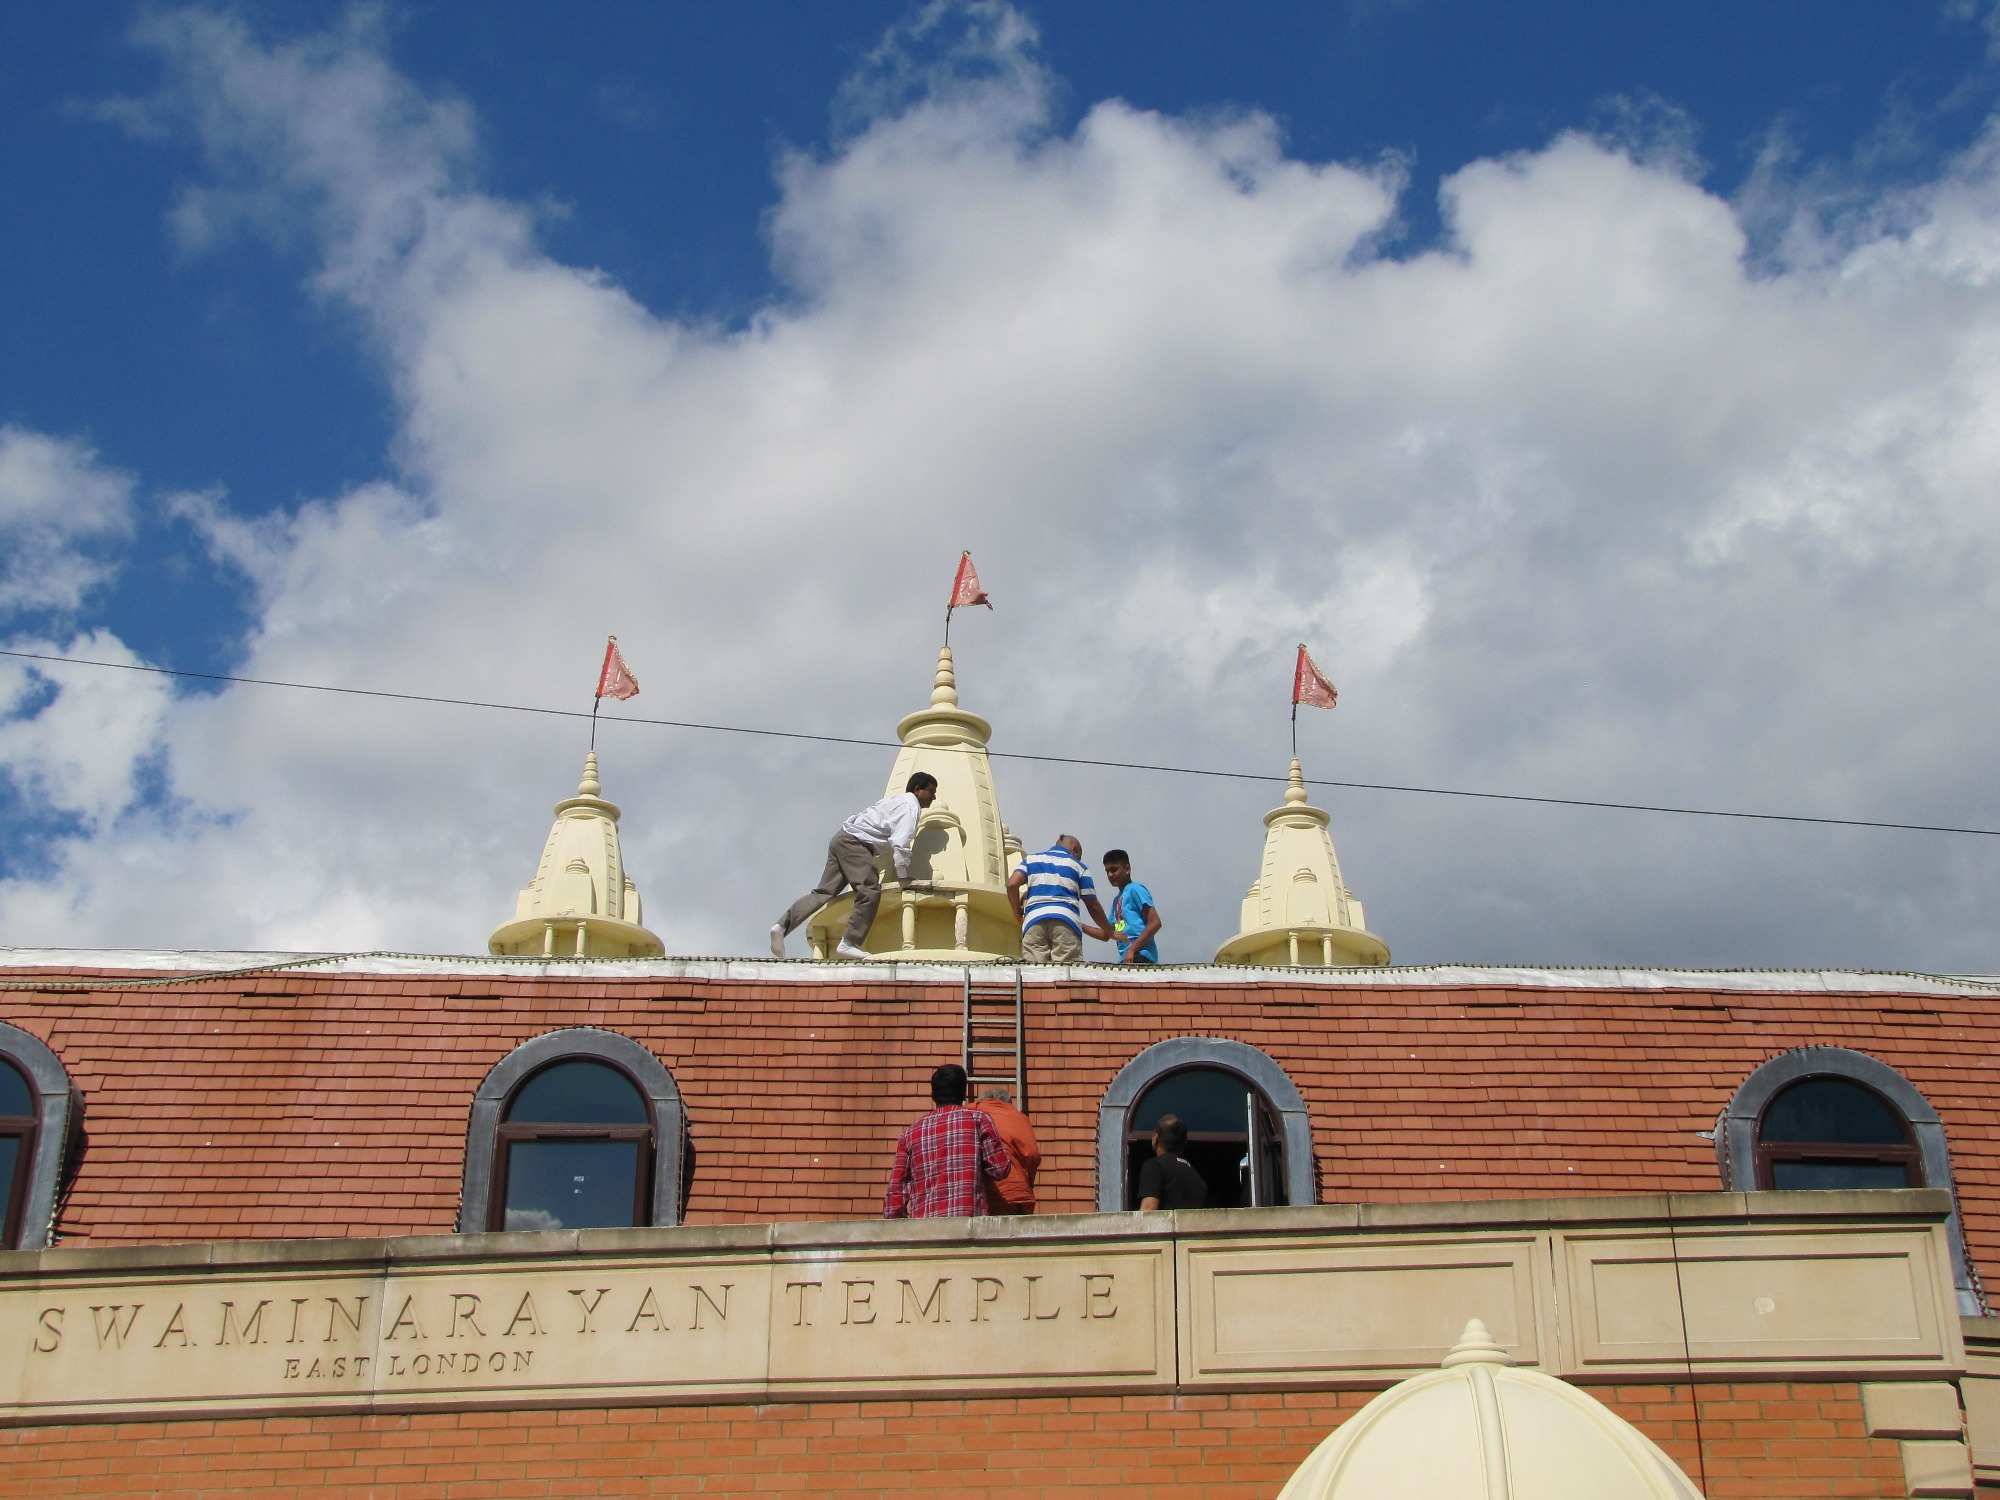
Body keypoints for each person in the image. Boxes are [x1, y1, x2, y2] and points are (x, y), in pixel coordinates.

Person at [772, 772, 938, 961]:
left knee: (823, 893)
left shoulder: (895, 801)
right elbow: (901, 842)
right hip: (856, 844)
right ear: (918, 790)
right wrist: (902, 875)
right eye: (931, 791)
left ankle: (781, 927)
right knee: (869, 889)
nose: (934, 797)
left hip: (842, 838)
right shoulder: (911, 807)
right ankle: (849, 942)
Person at [884, 1064, 1012, 1218]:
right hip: (968, 1226)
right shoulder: (978, 1120)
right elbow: (1000, 1169)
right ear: (963, 1093)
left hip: (926, 1229)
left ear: (933, 1095)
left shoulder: (910, 1133)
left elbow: (896, 1193)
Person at [1007, 834, 1112, 963]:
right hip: (1065, 922)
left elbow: (1012, 884)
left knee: (1034, 974)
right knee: (1066, 974)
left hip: (1034, 922)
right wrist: (1109, 931)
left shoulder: (1031, 860)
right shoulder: (1079, 867)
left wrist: (1017, 911)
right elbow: (1093, 906)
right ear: (1074, 850)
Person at [972, 1083, 1041, 1215]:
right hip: (1015, 1194)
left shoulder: (971, 1113)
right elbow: (1033, 1155)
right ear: (1008, 1104)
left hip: (980, 1195)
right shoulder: (1020, 1118)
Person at [1102, 849, 1161, 965]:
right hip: (1126, 959)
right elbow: (1106, 934)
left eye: (1114, 870)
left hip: (1140, 955)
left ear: (1127, 869)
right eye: (1107, 871)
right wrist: (1077, 924)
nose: (1110, 875)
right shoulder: (1117, 901)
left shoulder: (1135, 889)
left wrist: (1132, 949)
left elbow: (1155, 922)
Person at [1135, 1113, 1206, 1210]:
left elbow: (1149, 1209)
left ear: (1156, 1138)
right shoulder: (1197, 1177)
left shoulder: (1154, 1166)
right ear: (1185, 1142)